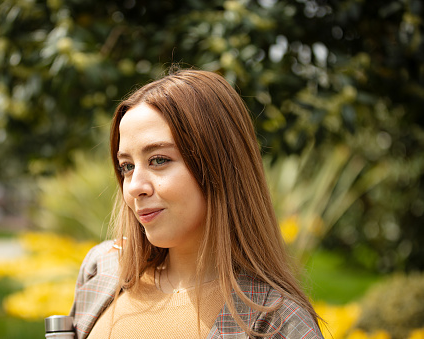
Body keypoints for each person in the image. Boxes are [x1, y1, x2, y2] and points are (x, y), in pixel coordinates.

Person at [69, 69, 324, 339]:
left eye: (158, 160)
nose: (134, 187)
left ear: (219, 165)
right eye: (127, 166)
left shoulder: (278, 322)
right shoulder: (103, 268)